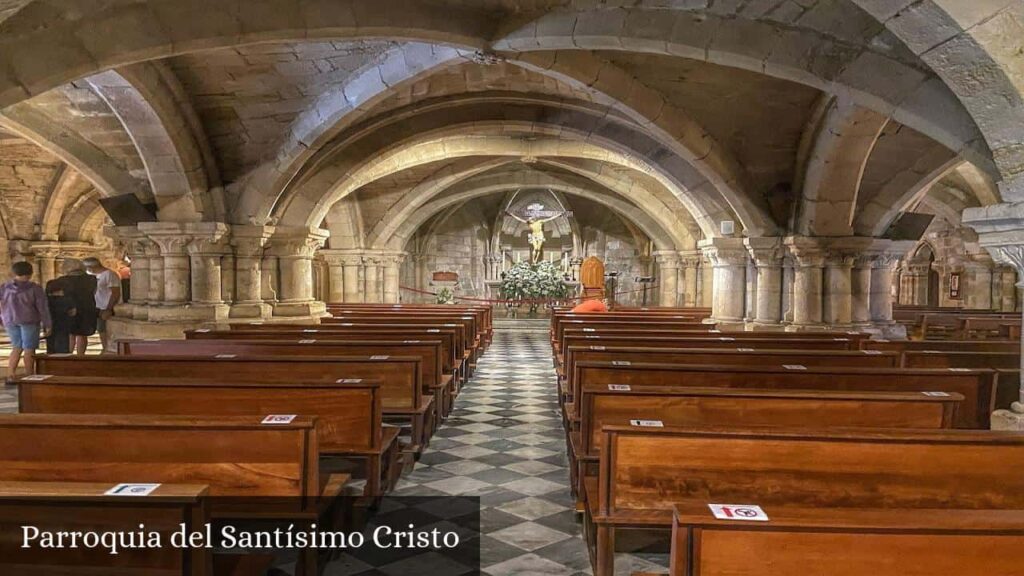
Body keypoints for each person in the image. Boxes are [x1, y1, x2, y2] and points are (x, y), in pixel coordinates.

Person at [1, 261, 51, 382]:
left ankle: (10, 374)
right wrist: (47, 324)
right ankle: (29, 374)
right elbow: (42, 308)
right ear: (31, 273)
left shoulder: (4, 287)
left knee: (16, 347)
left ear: (14, 272)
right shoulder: (34, 288)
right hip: (29, 320)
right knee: (29, 348)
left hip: (10, 320)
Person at [58, 258, 97, 355]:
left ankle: (68, 356)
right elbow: (93, 292)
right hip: (87, 308)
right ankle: (81, 357)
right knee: (83, 334)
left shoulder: (62, 280)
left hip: (69, 309)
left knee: (70, 334)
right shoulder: (92, 279)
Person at [83, 257, 120, 352]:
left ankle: (106, 349)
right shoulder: (89, 275)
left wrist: (109, 308)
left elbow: (115, 292)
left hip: (104, 306)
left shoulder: (109, 274)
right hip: (94, 306)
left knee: (103, 329)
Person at [44, 277, 75, 354]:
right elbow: (73, 312)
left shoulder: (45, 300)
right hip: (63, 324)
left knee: (50, 344)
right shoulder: (67, 299)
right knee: (63, 344)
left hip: (49, 323)